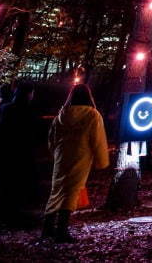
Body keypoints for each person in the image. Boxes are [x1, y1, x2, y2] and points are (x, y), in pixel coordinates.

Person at [43, 84, 108, 242]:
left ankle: (48, 227)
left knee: (56, 189)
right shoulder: (92, 114)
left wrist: (54, 153)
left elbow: (52, 136)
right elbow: (98, 139)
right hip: (81, 154)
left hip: (61, 155)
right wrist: (102, 161)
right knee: (72, 190)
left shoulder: (62, 114)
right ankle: (61, 230)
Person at [0, 82, 44, 230]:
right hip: (17, 157)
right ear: (29, 94)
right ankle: (5, 218)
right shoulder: (28, 112)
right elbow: (33, 136)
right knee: (11, 189)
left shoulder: (3, 109)